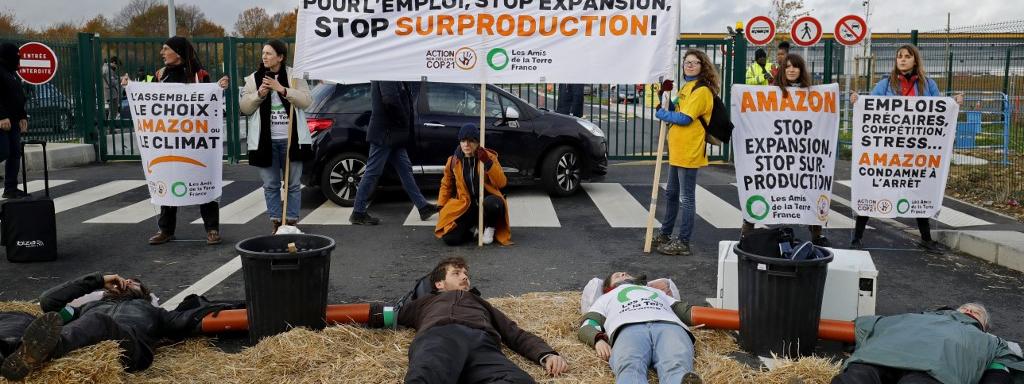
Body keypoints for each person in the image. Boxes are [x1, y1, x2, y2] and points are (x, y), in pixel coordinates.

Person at [0, 272, 226, 380]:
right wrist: (97, 281)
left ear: (143, 294)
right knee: (18, 316)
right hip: (83, 334)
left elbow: (190, 320)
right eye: (124, 280)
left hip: (130, 347)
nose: (126, 282)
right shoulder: (86, 308)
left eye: (133, 283)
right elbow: (49, 302)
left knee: (99, 322)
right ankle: (8, 349)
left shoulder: (154, 312)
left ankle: (44, 351)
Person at [848, 44, 963, 253]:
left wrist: (953, 103)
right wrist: (858, 101)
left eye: (907, 56)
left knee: (919, 188)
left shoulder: (928, 85)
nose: (902, 60)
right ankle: (857, 237)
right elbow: (870, 106)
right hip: (887, 150)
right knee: (874, 187)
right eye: (899, 56)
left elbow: (939, 110)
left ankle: (926, 239)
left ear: (915, 60)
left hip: (917, 150)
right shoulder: (885, 84)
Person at [397, 257, 569, 383]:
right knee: (425, 377)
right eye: (456, 273)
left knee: (518, 380)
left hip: (482, 345)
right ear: (439, 284)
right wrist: (369, 312)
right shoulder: (425, 302)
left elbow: (515, 333)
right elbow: (386, 313)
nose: (464, 277)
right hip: (441, 337)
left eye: (465, 273)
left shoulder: (483, 305)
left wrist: (546, 354)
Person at [139, 36, 226, 246]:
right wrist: (129, 85)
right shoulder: (160, 75)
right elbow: (144, 92)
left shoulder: (199, 75)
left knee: (203, 182)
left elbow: (210, 100)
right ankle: (166, 230)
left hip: (195, 142)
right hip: (170, 141)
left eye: (165, 48)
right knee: (168, 181)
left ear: (178, 52)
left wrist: (220, 87)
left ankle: (212, 229)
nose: (162, 52)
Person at [740, 53, 831, 247]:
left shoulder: (812, 93)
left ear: (801, 70)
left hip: (802, 151)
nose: (791, 70)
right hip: (776, 151)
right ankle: (747, 230)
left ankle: (817, 233)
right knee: (762, 186)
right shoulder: (770, 92)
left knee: (810, 188)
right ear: (782, 69)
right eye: (788, 66)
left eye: (795, 67)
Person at [831, 303, 1024, 384]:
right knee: (857, 378)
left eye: (977, 313)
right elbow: (860, 326)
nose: (971, 310)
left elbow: (1002, 369)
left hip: (934, 371)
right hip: (880, 357)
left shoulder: (991, 341)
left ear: (984, 327)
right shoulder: (914, 317)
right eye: (966, 307)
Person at [239, 40, 313, 234]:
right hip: (265, 142)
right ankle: (275, 222)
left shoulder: (294, 77)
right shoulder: (253, 79)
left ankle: (290, 222)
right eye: (263, 53)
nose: (264, 57)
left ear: (280, 57)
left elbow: (306, 101)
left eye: (269, 53)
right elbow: (245, 108)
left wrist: (282, 89)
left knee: (293, 185)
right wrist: (259, 95)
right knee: (271, 185)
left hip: (291, 140)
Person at [577, 272, 702, 384]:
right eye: (617, 275)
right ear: (608, 288)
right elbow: (589, 324)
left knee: (677, 364)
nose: (623, 273)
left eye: (626, 273)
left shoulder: (657, 292)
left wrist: (721, 316)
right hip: (628, 328)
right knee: (630, 366)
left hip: (669, 325)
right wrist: (598, 339)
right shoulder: (606, 298)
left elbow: (687, 312)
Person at [651, 49, 718, 256]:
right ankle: (665, 233)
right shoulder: (687, 87)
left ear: (702, 66)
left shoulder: (702, 91)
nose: (689, 65)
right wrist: (663, 96)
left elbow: (685, 118)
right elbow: (677, 110)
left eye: (694, 62)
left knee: (686, 198)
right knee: (671, 194)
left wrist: (663, 113)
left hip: (690, 150)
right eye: (686, 62)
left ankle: (683, 241)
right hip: (678, 149)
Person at [348, 81, 438, 225]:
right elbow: (390, 100)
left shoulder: (393, 72)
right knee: (373, 171)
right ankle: (358, 212)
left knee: (405, 170)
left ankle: (423, 207)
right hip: (385, 133)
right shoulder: (386, 73)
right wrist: (403, 120)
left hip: (393, 133)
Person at [434, 124, 511, 246]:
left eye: (471, 141)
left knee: (492, 203)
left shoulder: (488, 156)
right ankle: (473, 229)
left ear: (478, 142)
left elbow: (502, 182)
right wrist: (441, 205)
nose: (466, 144)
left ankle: (490, 227)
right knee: (450, 238)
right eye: (463, 141)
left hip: (487, 204)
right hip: (467, 206)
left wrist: (488, 163)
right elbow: (446, 185)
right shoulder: (453, 161)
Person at [0, 42, 29, 199]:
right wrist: (1, 116)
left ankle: (10, 188)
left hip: (13, 120)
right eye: (16, 57)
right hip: (2, 121)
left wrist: (22, 115)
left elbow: (18, 96)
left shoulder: (11, 73)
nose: (18, 61)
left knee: (14, 153)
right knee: (3, 151)